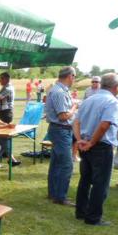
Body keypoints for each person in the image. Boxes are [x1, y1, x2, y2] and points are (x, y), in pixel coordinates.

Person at [73, 73, 118, 226]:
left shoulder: (88, 99)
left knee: (85, 180)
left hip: (86, 144)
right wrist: (91, 143)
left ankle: (81, 212)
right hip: (100, 146)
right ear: (116, 87)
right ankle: (93, 217)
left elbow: (76, 122)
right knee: (100, 183)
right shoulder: (112, 101)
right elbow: (104, 125)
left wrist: (79, 140)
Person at [45, 66, 78, 206]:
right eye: (74, 76)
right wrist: (74, 107)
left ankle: (53, 193)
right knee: (66, 165)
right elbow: (63, 116)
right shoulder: (59, 92)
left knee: (57, 163)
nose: (74, 79)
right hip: (61, 130)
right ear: (70, 76)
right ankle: (60, 197)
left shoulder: (59, 90)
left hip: (60, 130)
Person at [0, 72, 20, 166]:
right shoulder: (6, 87)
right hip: (4, 113)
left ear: (5, 79)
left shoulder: (7, 88)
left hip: (5, 114)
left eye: (1, 78)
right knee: (3, 139)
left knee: (3, 138)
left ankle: (10, 159)